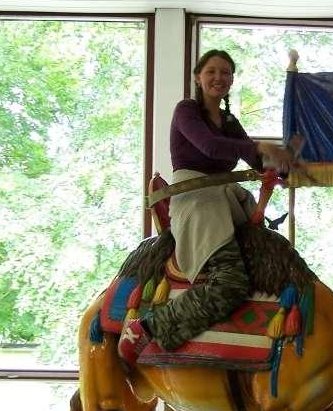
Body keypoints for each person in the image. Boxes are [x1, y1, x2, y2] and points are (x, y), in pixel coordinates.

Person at [118, 49, 294, 364]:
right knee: (231, 283)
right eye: (211, 71)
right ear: (198, 77)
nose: (218, 78)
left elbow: (255, 159)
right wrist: (259, 147)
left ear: (232, 80)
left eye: (225, 73)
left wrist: (285, 164)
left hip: (224, 200)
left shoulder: (229, 121)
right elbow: (210, 146)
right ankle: (149, 327)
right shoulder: (186, 110)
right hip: (196, 200)